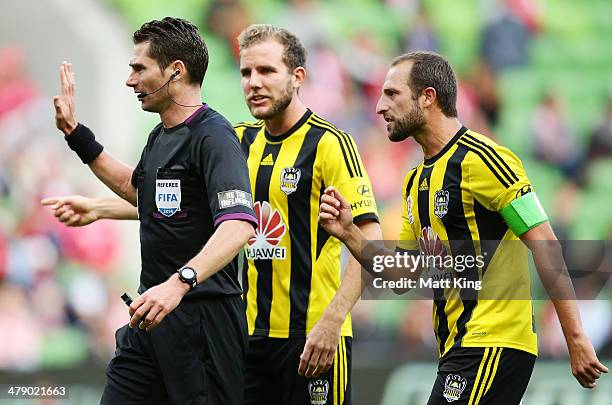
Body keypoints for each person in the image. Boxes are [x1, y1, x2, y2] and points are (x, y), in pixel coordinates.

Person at [44, 24, 382, 405]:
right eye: (245, 72)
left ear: (298, 77)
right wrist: (101, 209)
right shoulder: (239, 140)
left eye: (266, 71)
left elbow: (369, 244)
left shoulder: (330, 144)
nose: (253, 83)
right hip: (248, 333)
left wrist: (334, 320)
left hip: (311, 334)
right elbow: (184, 205)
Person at [318, 51, 607, 404]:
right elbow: (402, 276)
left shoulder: (485, 160)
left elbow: (545, 242)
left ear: (428, 97)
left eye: (392, 94)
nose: (379, 106)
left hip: (492, 341)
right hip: (457, 347)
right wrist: (350, 233)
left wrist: (574, 338)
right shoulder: (415, 181)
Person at [50, 17, 257, 405]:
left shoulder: (214, 136)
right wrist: (77, 136)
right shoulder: (160, 136)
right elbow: (141, 191)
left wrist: (180, 283)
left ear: (175, 71)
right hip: (151, 317)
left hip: (204, 320)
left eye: (139, 68)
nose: (130, 80)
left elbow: (239, 225)